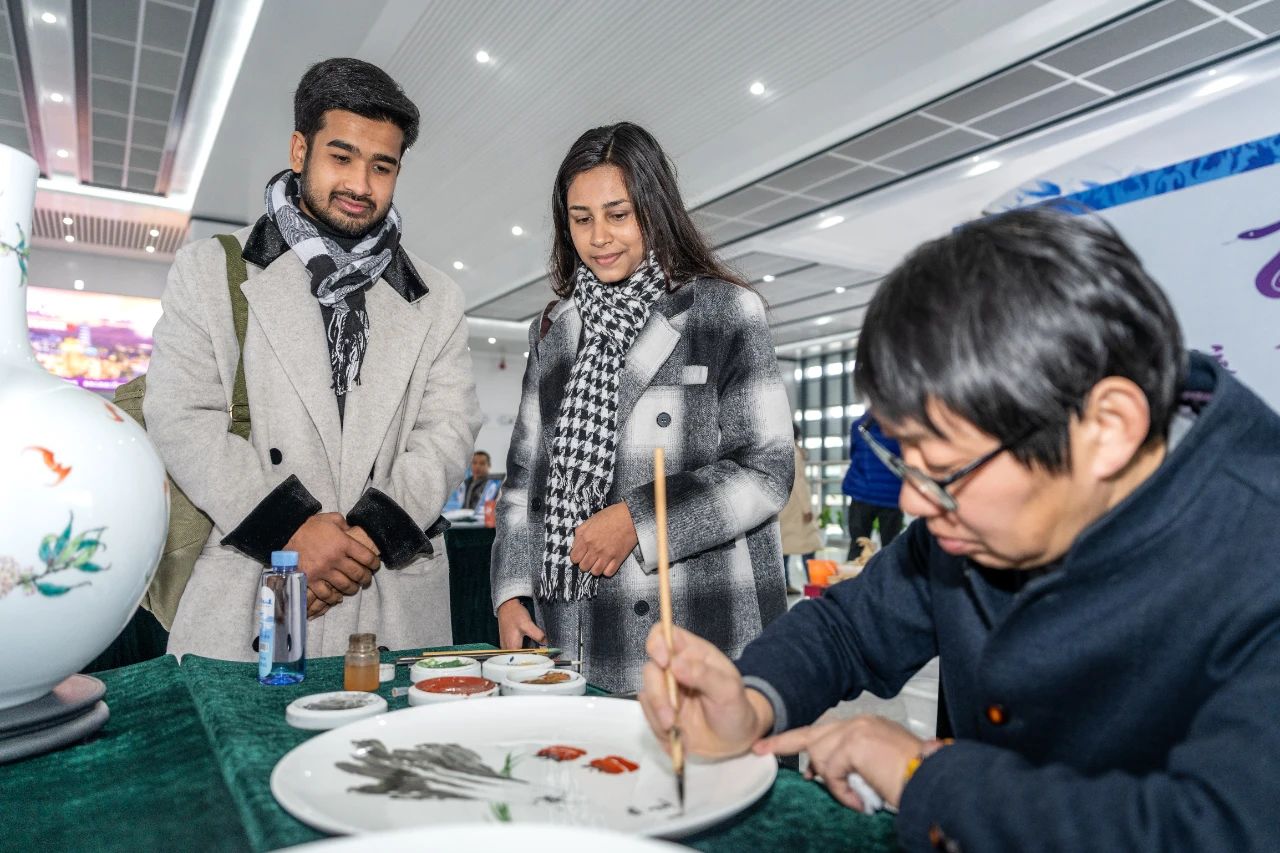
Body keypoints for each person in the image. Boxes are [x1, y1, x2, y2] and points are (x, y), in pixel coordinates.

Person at [639, 207, 1280, 850]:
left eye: (944, 470)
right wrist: (750, 702)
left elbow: (1219, 830)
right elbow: (850, 627)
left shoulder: (1260, 554)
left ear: (1108, 428)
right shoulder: (973, 515)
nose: (913, 502)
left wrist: (923, 777)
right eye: (903, 458)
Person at [145, 58, 480, 660]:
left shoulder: (436, 298)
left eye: (382, 166)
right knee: (264, 713)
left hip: (386, 588)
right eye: (341, 157)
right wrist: (294, 530)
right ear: (300, 150)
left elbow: (448, 433)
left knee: (380, 722)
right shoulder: (212, 270)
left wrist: (361, 541)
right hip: (263, 574)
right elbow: (180, 416)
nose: (361, 184)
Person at [490, 122, 793, 693]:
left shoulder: (724, 311)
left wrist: (639, 520)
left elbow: (767, 470)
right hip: (573, 632)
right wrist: (511, 594)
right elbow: (523, 483)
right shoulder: (554, 332)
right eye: (581, 219)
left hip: (700, 623)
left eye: (618, 214)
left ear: (654, 212)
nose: (599, 237)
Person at [843, 411, 903, 553]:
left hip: (862, 491)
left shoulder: (859, 426)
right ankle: (889, 567)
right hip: (891, 495)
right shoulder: (901, 427)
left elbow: (854, 454)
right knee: (891, 547)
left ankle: (857, 566)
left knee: (858, 545)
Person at [778, 423, 821, 591]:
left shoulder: (779, 451)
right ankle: (814, 587)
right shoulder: (794, 453)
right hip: (796, 507)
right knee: (809, 547)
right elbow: (799, 483)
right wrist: (807, 509)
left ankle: (785, 585)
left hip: (784, 506)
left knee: (784, 547)